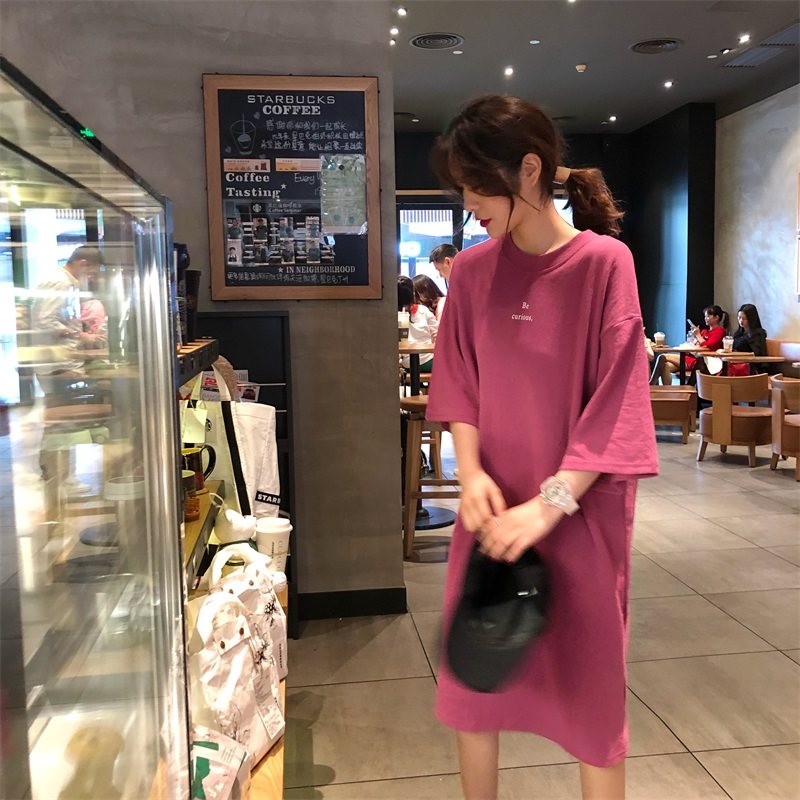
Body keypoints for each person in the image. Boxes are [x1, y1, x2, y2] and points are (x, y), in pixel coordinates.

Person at [425, 94, 657, 800]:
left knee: (591, 696)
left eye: (476, 185)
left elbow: (616, 401)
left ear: (529, 169)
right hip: (493, 513)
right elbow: (459, 380)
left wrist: (550, 503)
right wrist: (469, 474)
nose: (469, 205)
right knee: (474, 685)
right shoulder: (471, 272)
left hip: (579, 516)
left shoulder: (604, 264)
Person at [32, 245, 105, 394]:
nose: (92, 278)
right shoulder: (60, 282)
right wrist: (80, 336)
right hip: (58, 366)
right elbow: (45, 320)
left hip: (62, 364)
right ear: (83, 264)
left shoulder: (65, 282)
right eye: (92, 273)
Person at [650, 305, 728, 385]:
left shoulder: (719, 331)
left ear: (716, 318)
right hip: (689, 357)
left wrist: (698, 335)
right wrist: (693, 336)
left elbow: (708, 346)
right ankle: (666, 389)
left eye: (708, 316)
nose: (705, 318)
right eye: (705, 316)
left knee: (662, 357)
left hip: (700, 361)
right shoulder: (704, 331)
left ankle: (651, 384)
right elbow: (694, 344)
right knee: (664, 366)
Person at [398, 275, 437, 372]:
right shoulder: (423, 310)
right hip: (430, 360)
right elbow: (437, 331)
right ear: (413, 294)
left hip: (408, 364)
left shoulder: (393, 317)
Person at [728, 303, 768, 376]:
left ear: (751, 319)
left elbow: (758, 353)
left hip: (752, 367)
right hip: (736, 364)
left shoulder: (759, 333)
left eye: (744, 318)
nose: (741, 321)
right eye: (739, 317)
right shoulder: (738, 333)